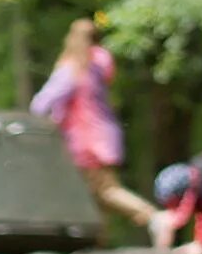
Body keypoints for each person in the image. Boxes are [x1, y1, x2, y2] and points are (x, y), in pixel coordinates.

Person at [29, 20, 156, 231]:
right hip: (105, 139)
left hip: (84, 142)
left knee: (104, 192)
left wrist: (46, 120)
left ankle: (153, 218)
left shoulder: (74, 67)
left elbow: (42, 103)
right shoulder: (98, 65)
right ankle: (96, 244)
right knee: (95, 199)